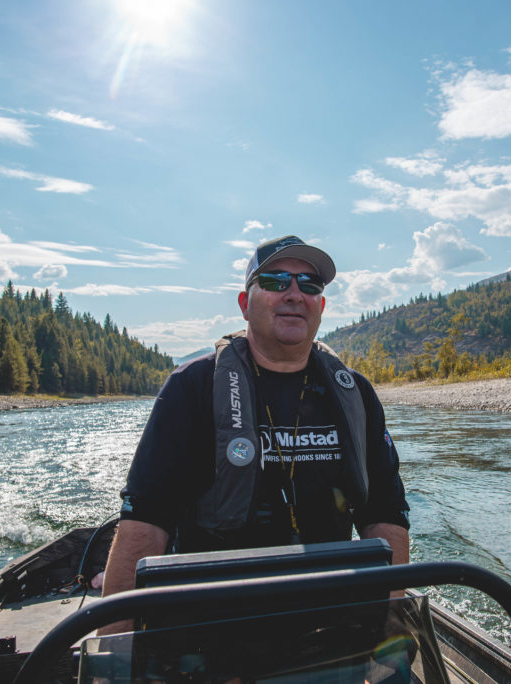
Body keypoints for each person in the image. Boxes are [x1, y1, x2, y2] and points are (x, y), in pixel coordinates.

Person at [98, 235, 410, 633]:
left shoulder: (356, 393)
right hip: (211, 628)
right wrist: (116, 655)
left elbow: (385, 513)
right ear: (245, 304)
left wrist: (393, 626)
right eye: (277, 281)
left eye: (309, 285)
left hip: (331, 628)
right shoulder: (192, 388)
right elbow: (145, 520)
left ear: (321, 306)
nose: (295, 294)